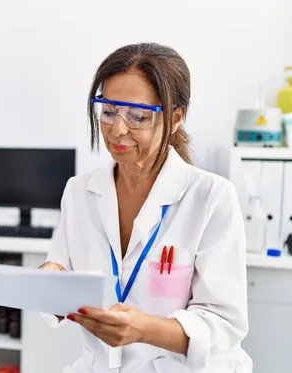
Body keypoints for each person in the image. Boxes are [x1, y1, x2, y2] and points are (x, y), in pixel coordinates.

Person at [40, 43, 253, 373]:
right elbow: (61, 272)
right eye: (109, 112)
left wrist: (144, 329)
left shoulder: (211, 197)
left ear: (175, 117)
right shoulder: (79, 191)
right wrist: (49, 285)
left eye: (137, 116)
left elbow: (224, 323)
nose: (118, 130)